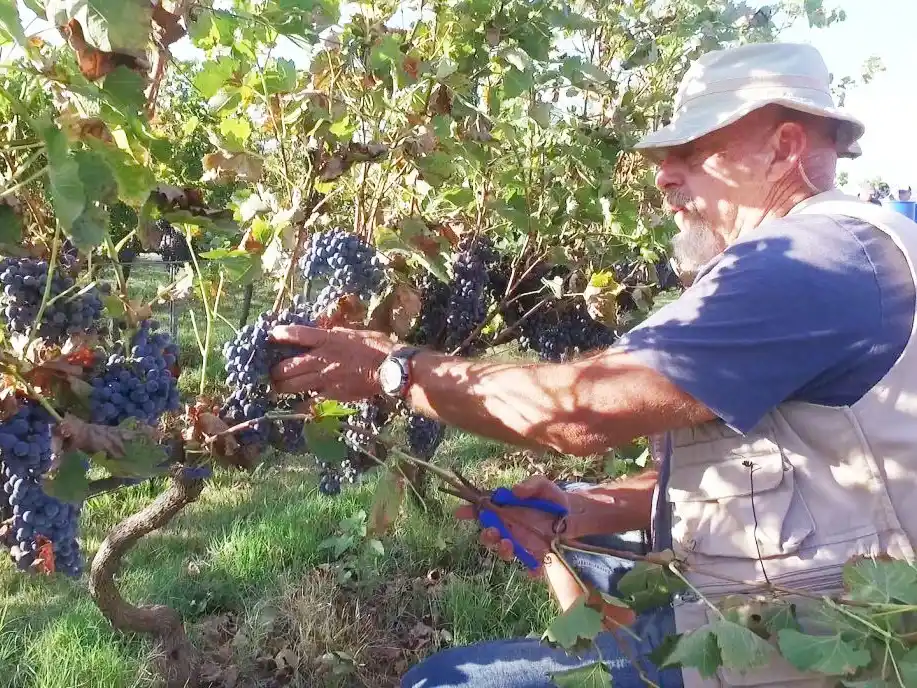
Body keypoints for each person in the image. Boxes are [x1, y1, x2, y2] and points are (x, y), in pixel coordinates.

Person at [269, 42, 917, 688]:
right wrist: (585, 510)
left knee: (446, 682)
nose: (663, 176)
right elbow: (780, 469)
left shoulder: (806, 263)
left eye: (690, 153)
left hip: (818, 648)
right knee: (591, 571)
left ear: (782, 146)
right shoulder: (839, 249)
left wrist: (394, 372)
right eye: (664, 158)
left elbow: (578, 413)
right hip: (769, 610)